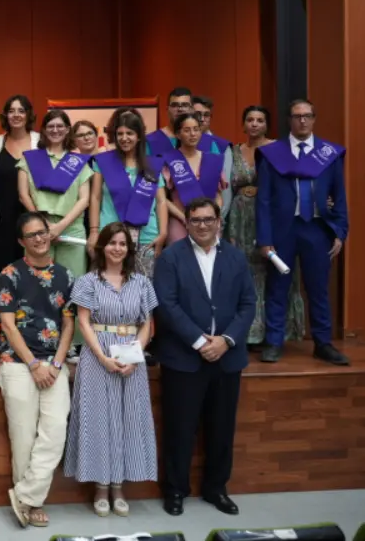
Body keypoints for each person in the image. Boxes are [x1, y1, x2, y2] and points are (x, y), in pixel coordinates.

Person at [153, 197, 256, 516]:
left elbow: (248, 304)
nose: (202, 225)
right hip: (183, 359)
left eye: (208, 219)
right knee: (179, 429)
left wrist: (226, 340)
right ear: (186, 223)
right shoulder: (170, 257)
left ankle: (216, 489)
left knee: (222, 429)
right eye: (195, 220)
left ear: (218, 222)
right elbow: (167, 305)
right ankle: (175, 490)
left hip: (227, 358)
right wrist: (200, 342)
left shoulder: (236, 257)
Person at [65, 223, 158, 518]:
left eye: (122, 244)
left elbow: (147, 324)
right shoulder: (87, 282)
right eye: (112, 243)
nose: (117, 248)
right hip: (97, 355)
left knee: (127, 419)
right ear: (102, 246)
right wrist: (103, 358)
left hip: (131, 354)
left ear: (128, 249)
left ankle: (119, 487)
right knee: (98, 421)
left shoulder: (141, 283)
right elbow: (83, 322)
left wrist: (135, 357)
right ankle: (101, 487)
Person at [0, 212, 75, 529]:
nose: (39, 239)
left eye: (43, 232)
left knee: (55, 433)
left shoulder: (66, 276)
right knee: (23, 437)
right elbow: (7, 325)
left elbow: (69, 324)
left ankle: (24, 496)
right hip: (18, 363)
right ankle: (32, 503)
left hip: (54, 365)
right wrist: (32, 364)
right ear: (21, 241)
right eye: (32, 235)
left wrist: (56, 363)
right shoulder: (10, 274)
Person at [256, 99, 350, 365]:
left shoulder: (329, 154)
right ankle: (274, 342)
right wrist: (265, 239)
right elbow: (263, 201)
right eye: (297, 116)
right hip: (282, 231)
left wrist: (340, 232)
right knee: (277, 288)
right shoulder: (273, 154)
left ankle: (323, 343)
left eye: (307, 115)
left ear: (314, 119)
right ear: (289, 120)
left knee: (318, 289)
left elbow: (339, 196)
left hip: (317, 229)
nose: (302, 121)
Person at [225, 106, 305, 345]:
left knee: (273, 270)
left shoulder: (279, 149)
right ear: (243, 124)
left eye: (260, 120)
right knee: (245, 273)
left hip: (272, 217)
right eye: (250, 119)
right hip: (240, 219)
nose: (254, 124)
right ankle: (250, 332)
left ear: (267, 125)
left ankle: (276, 332)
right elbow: (227, 187)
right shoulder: (233, 151)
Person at [89, 110, 167, 275]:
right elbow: (95, 197)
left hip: (146, 237)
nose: (124, 138)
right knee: (108, 283)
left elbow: (161, 201)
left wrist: (163, 233)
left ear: (139, 136)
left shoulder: (151, 165)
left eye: (129, 133)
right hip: (110, 236)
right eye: (120, 134)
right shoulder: (103, 162)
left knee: (144, 285)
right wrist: (94, 231)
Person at [18, 109, 92, 278]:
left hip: (71, 228)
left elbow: (84, 199)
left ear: (67, 130)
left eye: (60, 126)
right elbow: (23, 195)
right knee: (37, 280)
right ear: (44, 130)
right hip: (37, 228)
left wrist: (59, 227)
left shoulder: (78, 161)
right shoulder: (29, 158)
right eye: (51, 126)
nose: (55, 130)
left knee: (73, 281)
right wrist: (44, 226)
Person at [0, 95, 40, 279]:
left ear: (28, 115)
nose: (16, 115)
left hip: (32, 214)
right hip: (3, 221)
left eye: (21, 111)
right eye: (11, 111)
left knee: (32, 271)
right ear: (6, 116)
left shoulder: (40, 142)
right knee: (3, 272)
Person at [163, 114, 224, 245]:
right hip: (180, 220)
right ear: (178, 134)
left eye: (196, 129)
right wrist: (184, 218)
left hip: (208, 222)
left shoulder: (212, 159)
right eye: (187, 130)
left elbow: (218, 195)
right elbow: (162, 198)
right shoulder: (169, 160)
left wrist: (214, 216)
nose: (192, 134)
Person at [192, 96, 233, 217]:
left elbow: (226, 190)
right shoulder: (178, 143)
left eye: (206, 115)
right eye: (197, 114)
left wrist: (219, 218)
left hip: (212, 215)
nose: (202, 119)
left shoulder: (221, 146)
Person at [146, 87, 194, 157]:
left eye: (185, 105)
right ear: (167, 109)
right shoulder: (150, 141)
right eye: (174, 105)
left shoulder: (204, 141)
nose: (180, 109)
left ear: (192, 109)